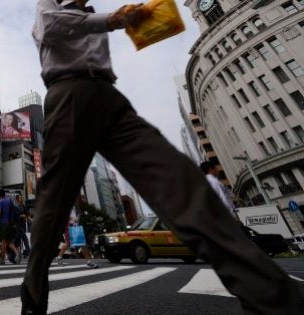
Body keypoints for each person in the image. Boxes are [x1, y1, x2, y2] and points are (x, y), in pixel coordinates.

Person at [21, 1, 304, 314]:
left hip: (110, 99)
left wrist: (137, 19)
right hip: (68, 94)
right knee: (55, 197)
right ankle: (33, 292)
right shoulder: (51, 5)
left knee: (180, 181)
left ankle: (272, 297)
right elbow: (49, 25)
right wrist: (114, 19)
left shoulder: (90, 13)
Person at [0, 189, 19, 265]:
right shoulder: (9, 200)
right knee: (9, 241)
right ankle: (17, 253)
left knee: (3, 242)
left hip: (3, 224)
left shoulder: (0, 201)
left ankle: (2, 260)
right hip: (10, 224)